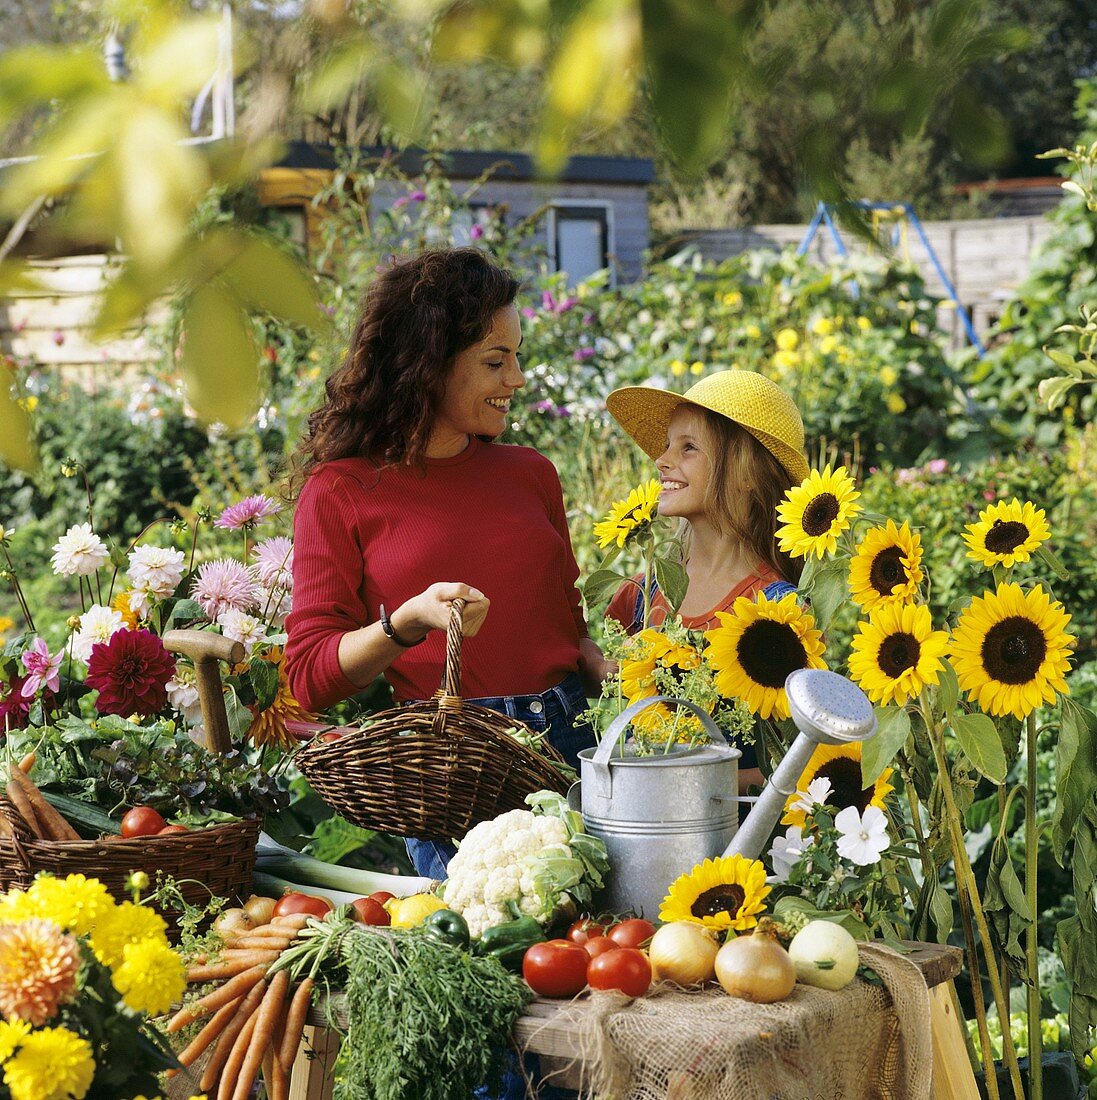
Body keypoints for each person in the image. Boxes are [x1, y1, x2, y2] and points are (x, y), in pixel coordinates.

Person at [284, 247, 611, 883]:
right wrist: (404, 623)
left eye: (517, 356)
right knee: (491, 951)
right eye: (495, 361)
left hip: (571, 742)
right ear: (427, 366)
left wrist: (603, 658)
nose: (516, 379)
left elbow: (563, 627)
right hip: (454, 769)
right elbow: (308, 676)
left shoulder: (532, 474)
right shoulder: (341, 489)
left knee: (599, 947)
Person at [602, 369, 809, 790]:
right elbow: (610, 688)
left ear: (748, 474)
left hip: (730, 841)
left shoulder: (779, 612)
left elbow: (793, 764)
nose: (662, 461)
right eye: (666, 445)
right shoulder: (644, 593)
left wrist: (686, 784)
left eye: (689, 447)